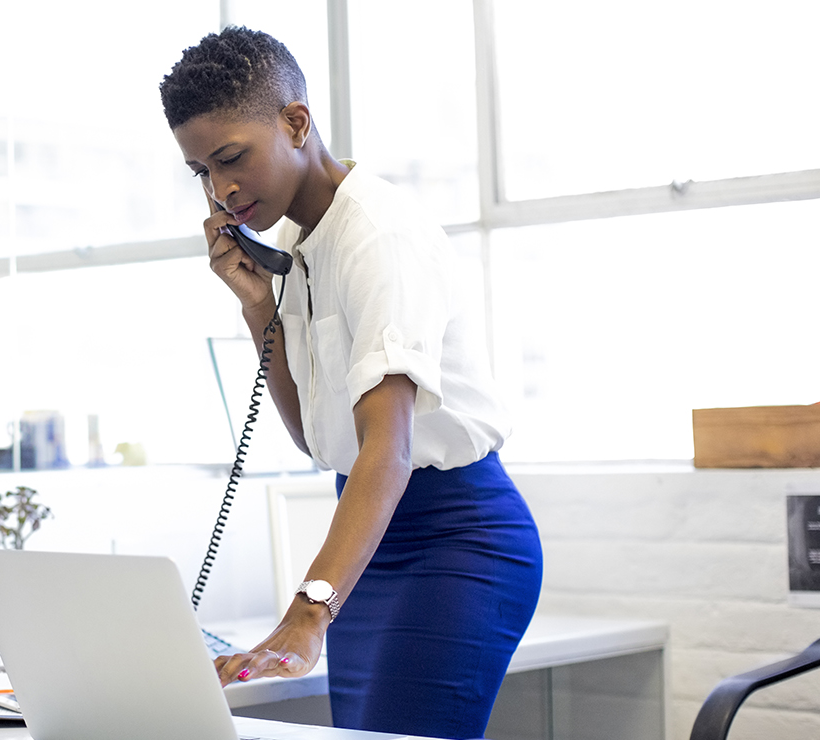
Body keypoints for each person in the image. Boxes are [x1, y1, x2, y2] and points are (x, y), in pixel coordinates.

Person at [159, 27, 543, 740]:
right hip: (369, 548)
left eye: (231, 158)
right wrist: (256, 307)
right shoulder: (305, 245)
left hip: (455, 540)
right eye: (201, 173)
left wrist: (307, 615)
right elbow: (316, 435)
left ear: (297, 122)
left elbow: (387, 452)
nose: (222, 189)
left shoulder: (377, 237)